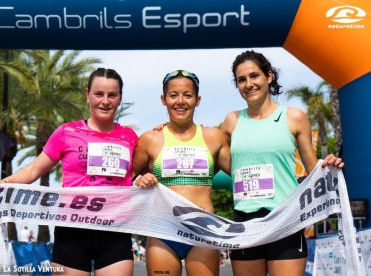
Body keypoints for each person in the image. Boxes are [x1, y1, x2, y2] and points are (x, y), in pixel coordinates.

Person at [0, 68, 138, 276]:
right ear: (87, 95)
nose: (105, 101)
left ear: (120, 98)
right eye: (99, 94)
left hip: (115, 232)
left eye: (112, 95)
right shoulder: (67, 132)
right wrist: (0, 183)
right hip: (72, 231)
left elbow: (139, 174)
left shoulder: (130, 137)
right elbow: (32, 171)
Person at [220, 50, 344, 276]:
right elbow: (212, 155)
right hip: (246, 223)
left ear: (269, 76)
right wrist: (166, 131)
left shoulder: (293, 117)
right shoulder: (231, 121)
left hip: (285, 219)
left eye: (254, 76)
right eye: (242, 79)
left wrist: (329, 163)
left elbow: (313, 169)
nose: (249, 84)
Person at [131, 70, 231, 276]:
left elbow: (242, 173)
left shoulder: (214, 137)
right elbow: (123, 181)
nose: (180, 101)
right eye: (173, 95)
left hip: (203, 230)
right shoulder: (150, 139)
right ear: (163, 99)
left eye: (187, 95)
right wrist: (140, 180)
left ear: (198, 100)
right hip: (163, 230)